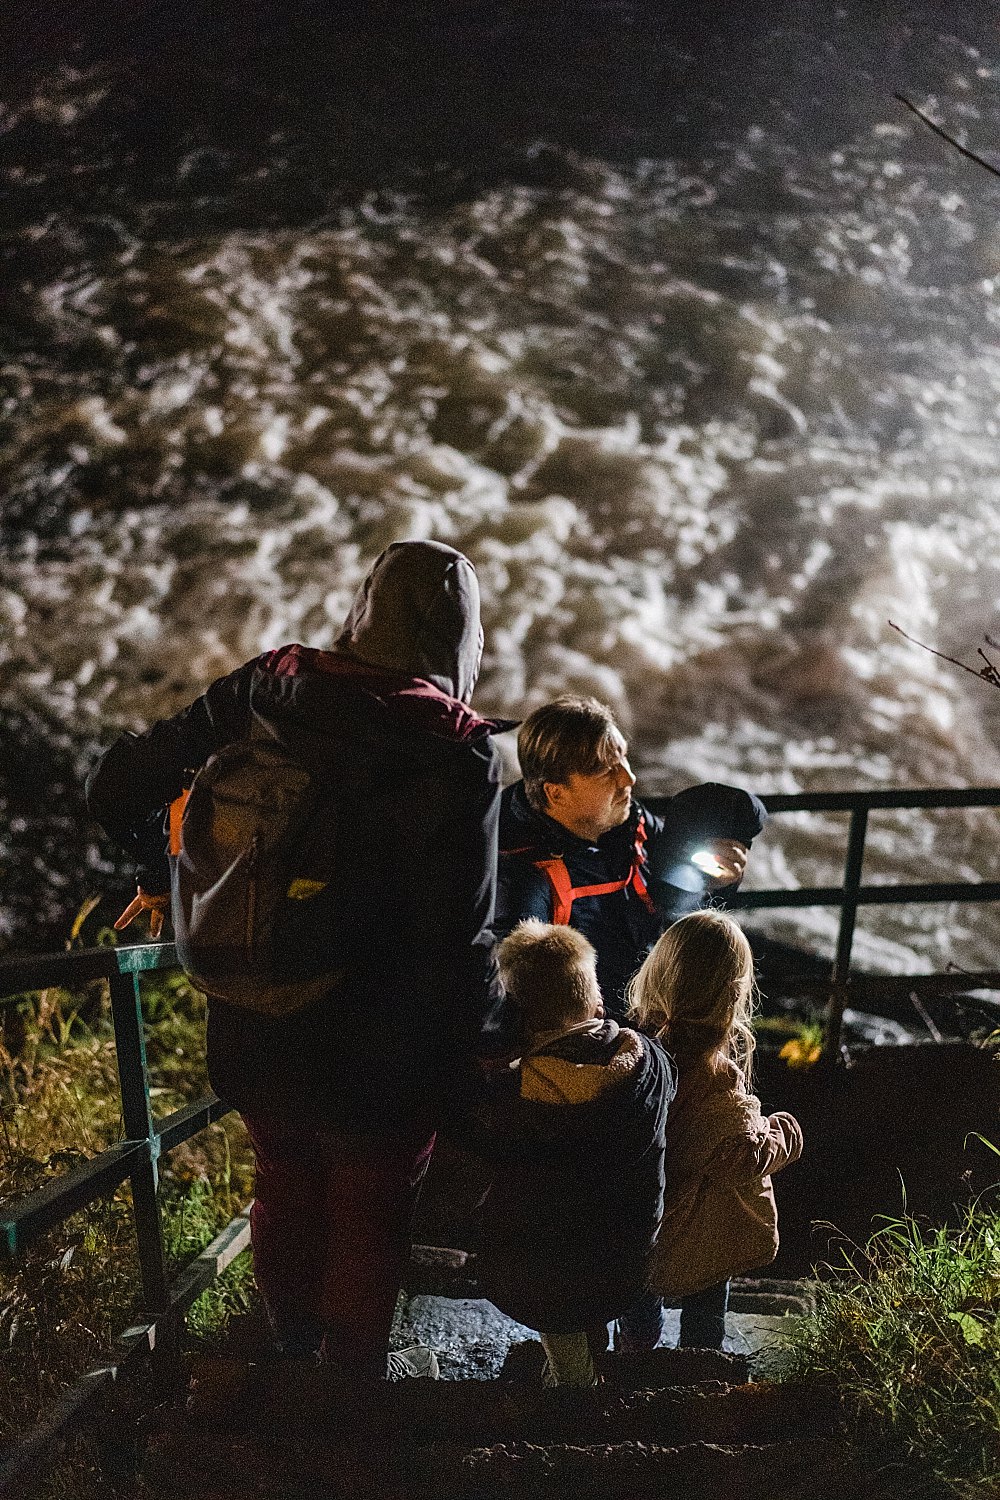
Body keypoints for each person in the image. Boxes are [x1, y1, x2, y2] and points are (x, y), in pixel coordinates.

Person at [85, 540, 507, 1380]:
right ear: (464, 643)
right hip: (380, 1034)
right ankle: (345, 1389)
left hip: (253, 1012)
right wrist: (481, 1050)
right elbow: (457, 938)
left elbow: (116, 784)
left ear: (361, 612)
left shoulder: (265, 688)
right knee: (370, 1198)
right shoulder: (454, 752)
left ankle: (287, 1356)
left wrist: (163, 877)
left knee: (285, 1177)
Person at [471, 919, 675, 1388]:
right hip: (633, 1262)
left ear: (516, 1017)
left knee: (551, 1263)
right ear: (597, 999)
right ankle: (638, 1357)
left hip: (544, 1283)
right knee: (616, 1235)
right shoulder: (654, 1066)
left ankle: (572, 1380)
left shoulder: (511, 1099)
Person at [494, 695, 767, 1021]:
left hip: (647, 1007)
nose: (628, 778)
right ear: (556, 792)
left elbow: (671, 905)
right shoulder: (520, 877)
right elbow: (523, 1009)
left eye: (623, 758)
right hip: (595, 1039)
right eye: (607, 771)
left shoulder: (627, 822)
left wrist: (714, 881)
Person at [620, 909, 803, 1350]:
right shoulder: (718, 1077)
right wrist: (783, 1134)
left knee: (638, 1306)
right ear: (733, 994)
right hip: (698, 1233)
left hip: (638, 1225)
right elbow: (740, 1158)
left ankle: (633, 1359)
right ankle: (701, 1364)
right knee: (708, 1292)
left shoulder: (632, 1052)